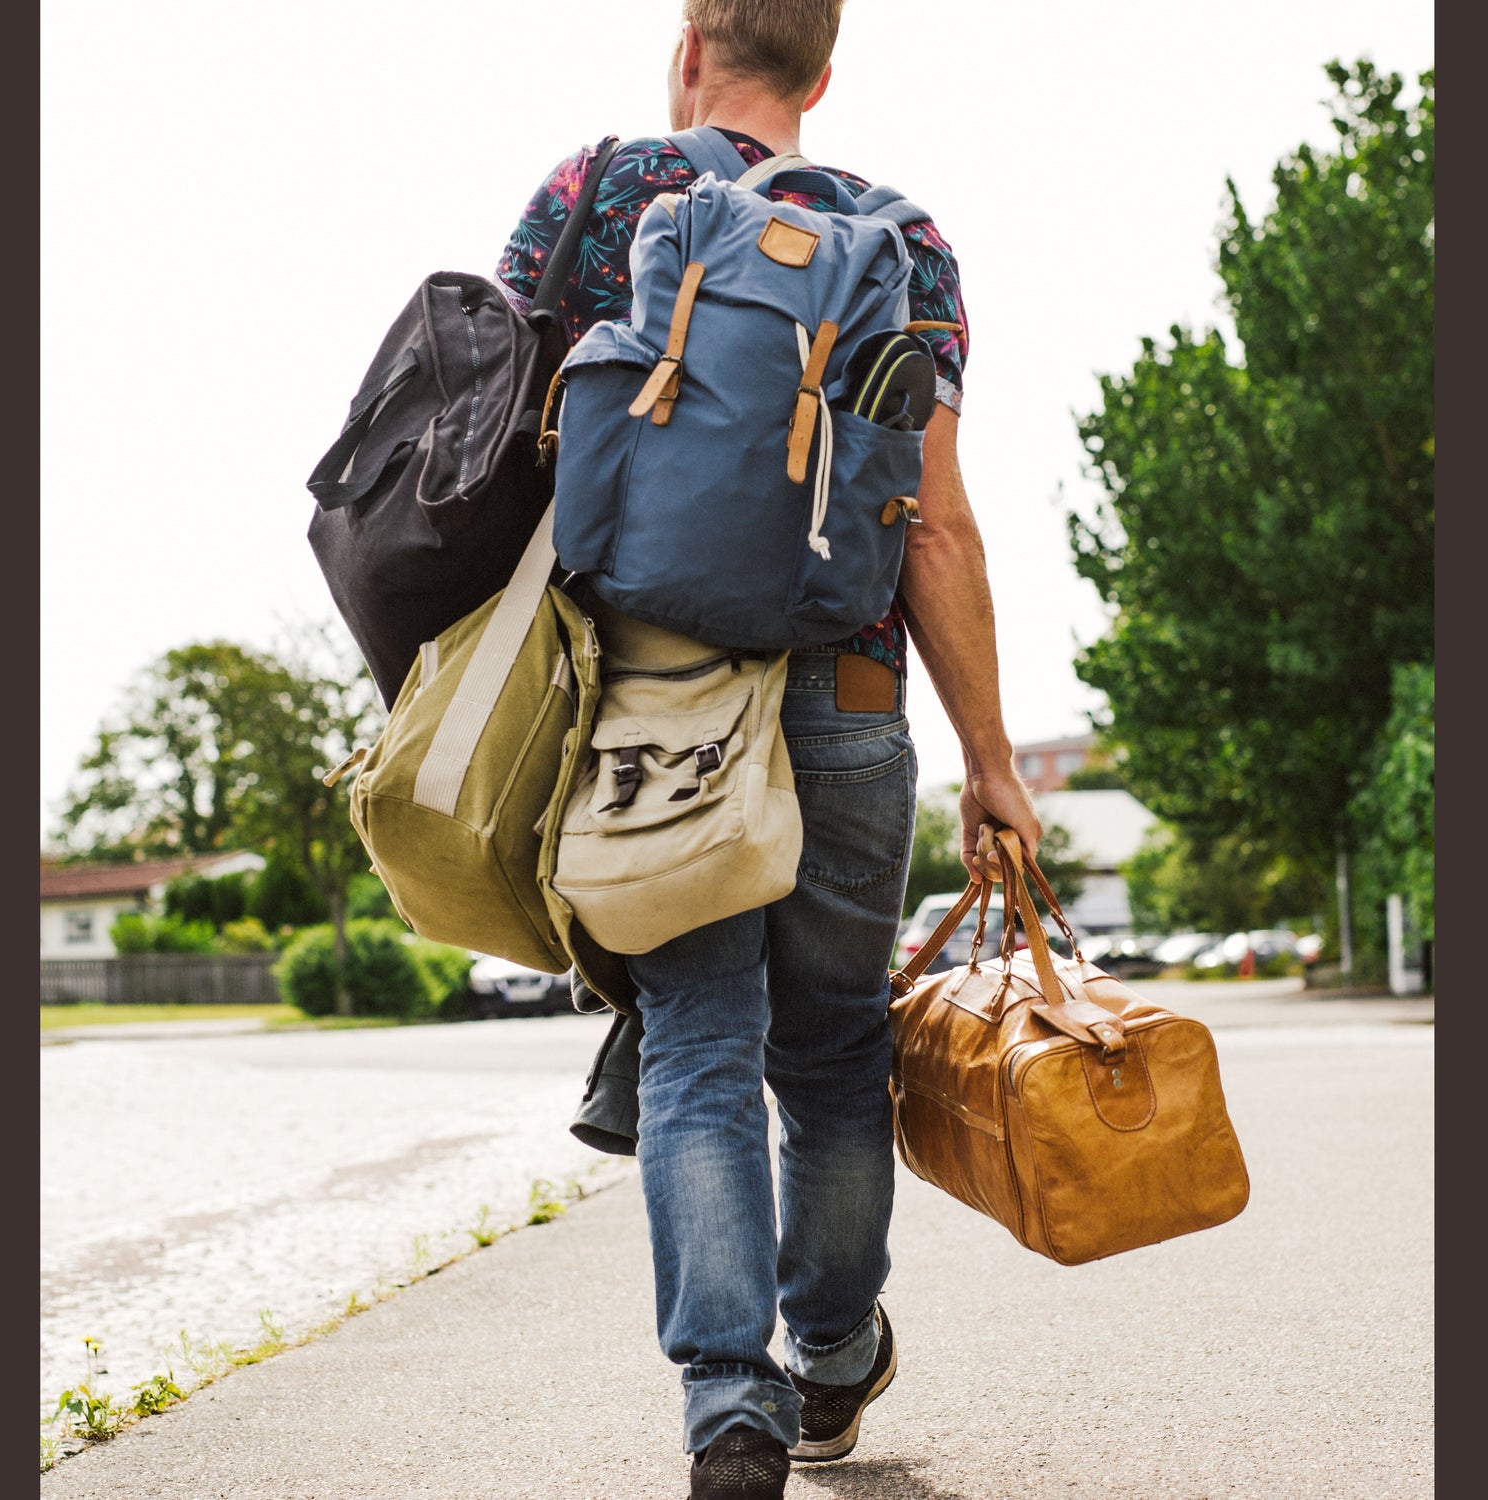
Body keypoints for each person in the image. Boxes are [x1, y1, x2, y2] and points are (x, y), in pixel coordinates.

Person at [495, 4, 1042, 1495]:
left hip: (655, 701)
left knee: (697, 1047)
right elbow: (932, 520)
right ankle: (829, 1354)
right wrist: (995, 762)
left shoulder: (595, 194)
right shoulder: (903, 239)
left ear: (690, 49)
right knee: (836, 1051)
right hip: (848, 699)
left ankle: (728, 1403)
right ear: (822, 70)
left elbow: (499, 441)